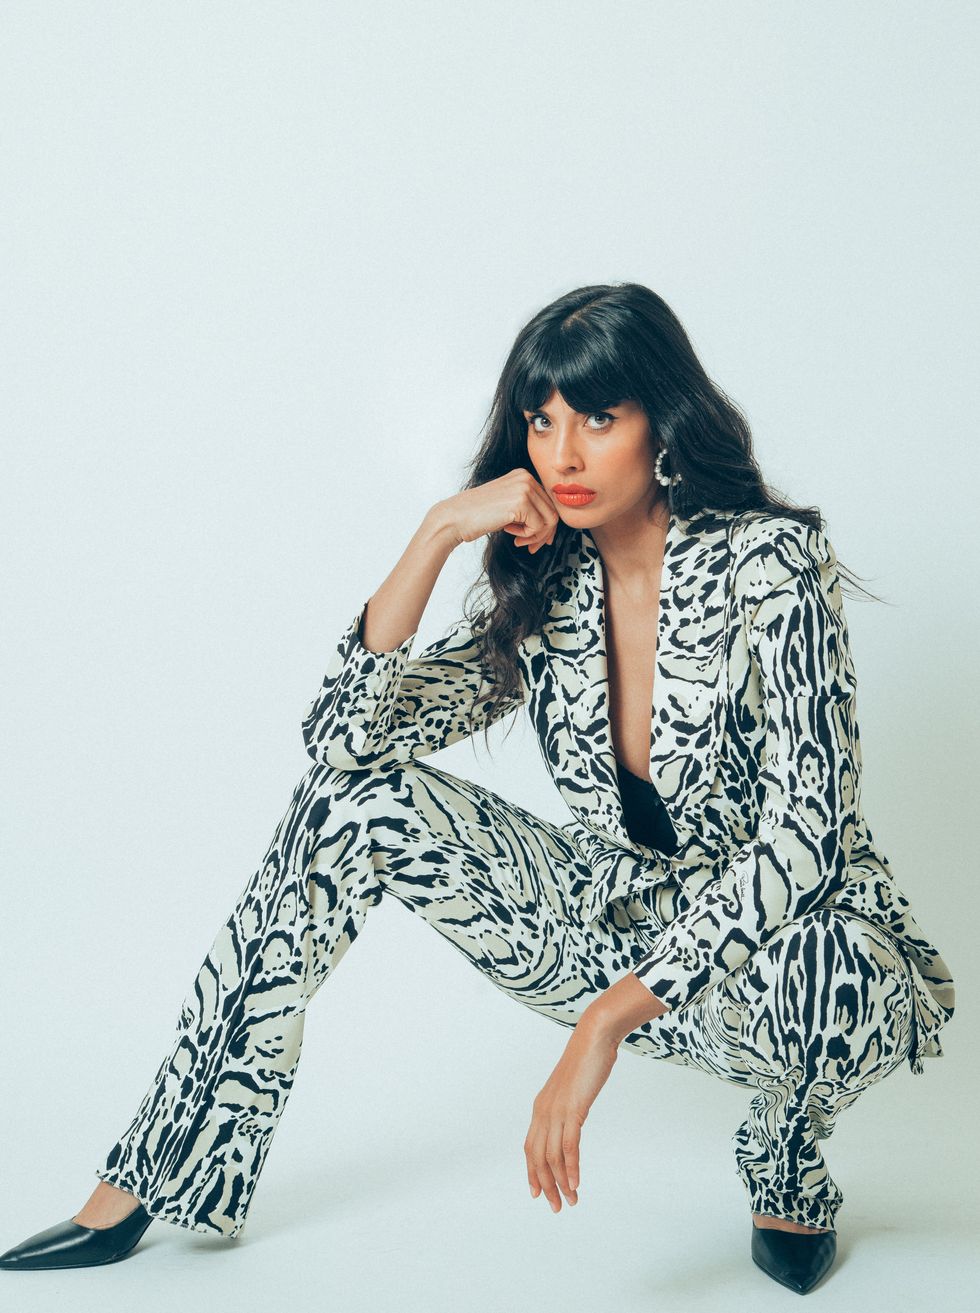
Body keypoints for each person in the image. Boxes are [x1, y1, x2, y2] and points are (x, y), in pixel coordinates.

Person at [0, 283, 955, 1295]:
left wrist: (605, 1020)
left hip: (773, 954)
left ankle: (785, 1157)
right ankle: (153, 1167)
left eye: (598, 417)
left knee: (826, 969)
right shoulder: (550, 587)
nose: (563, 454)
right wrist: (438, 529)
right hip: (608, 923)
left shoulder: (770, 564)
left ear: (663, 421)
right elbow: (344, 741)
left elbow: (805, 838)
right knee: (346, 804)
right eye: (541, 421)